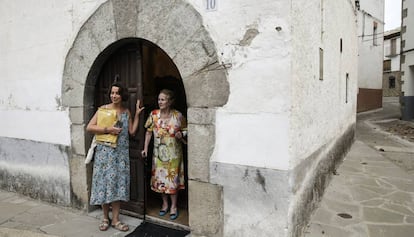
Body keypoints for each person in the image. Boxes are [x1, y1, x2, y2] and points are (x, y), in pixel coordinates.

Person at [86, 82, 144, 231]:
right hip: (105, 154)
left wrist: (137, 114)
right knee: (104, 185)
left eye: (117, 93)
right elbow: (90, 127)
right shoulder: (103, 110)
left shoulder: (126, 112)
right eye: (112, 93)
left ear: (122, 95)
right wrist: (108, 129)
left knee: (118, 185)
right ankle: (105, 218)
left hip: (120, 155)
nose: (114, 95)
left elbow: (131, 131)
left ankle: (116, 220)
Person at [141, 89, 187, 221]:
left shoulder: (178, 115)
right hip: (159, 156)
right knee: (161, 181)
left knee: (172, 181)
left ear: (170, 101)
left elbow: (186, 129)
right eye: (159, 99)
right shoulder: (154, 115)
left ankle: (173, 206)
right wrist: (145, 149)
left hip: (174, 155)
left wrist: (181, 134)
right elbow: (149, 132)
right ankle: (165, 204)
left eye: (163, 99)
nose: (160, 102)